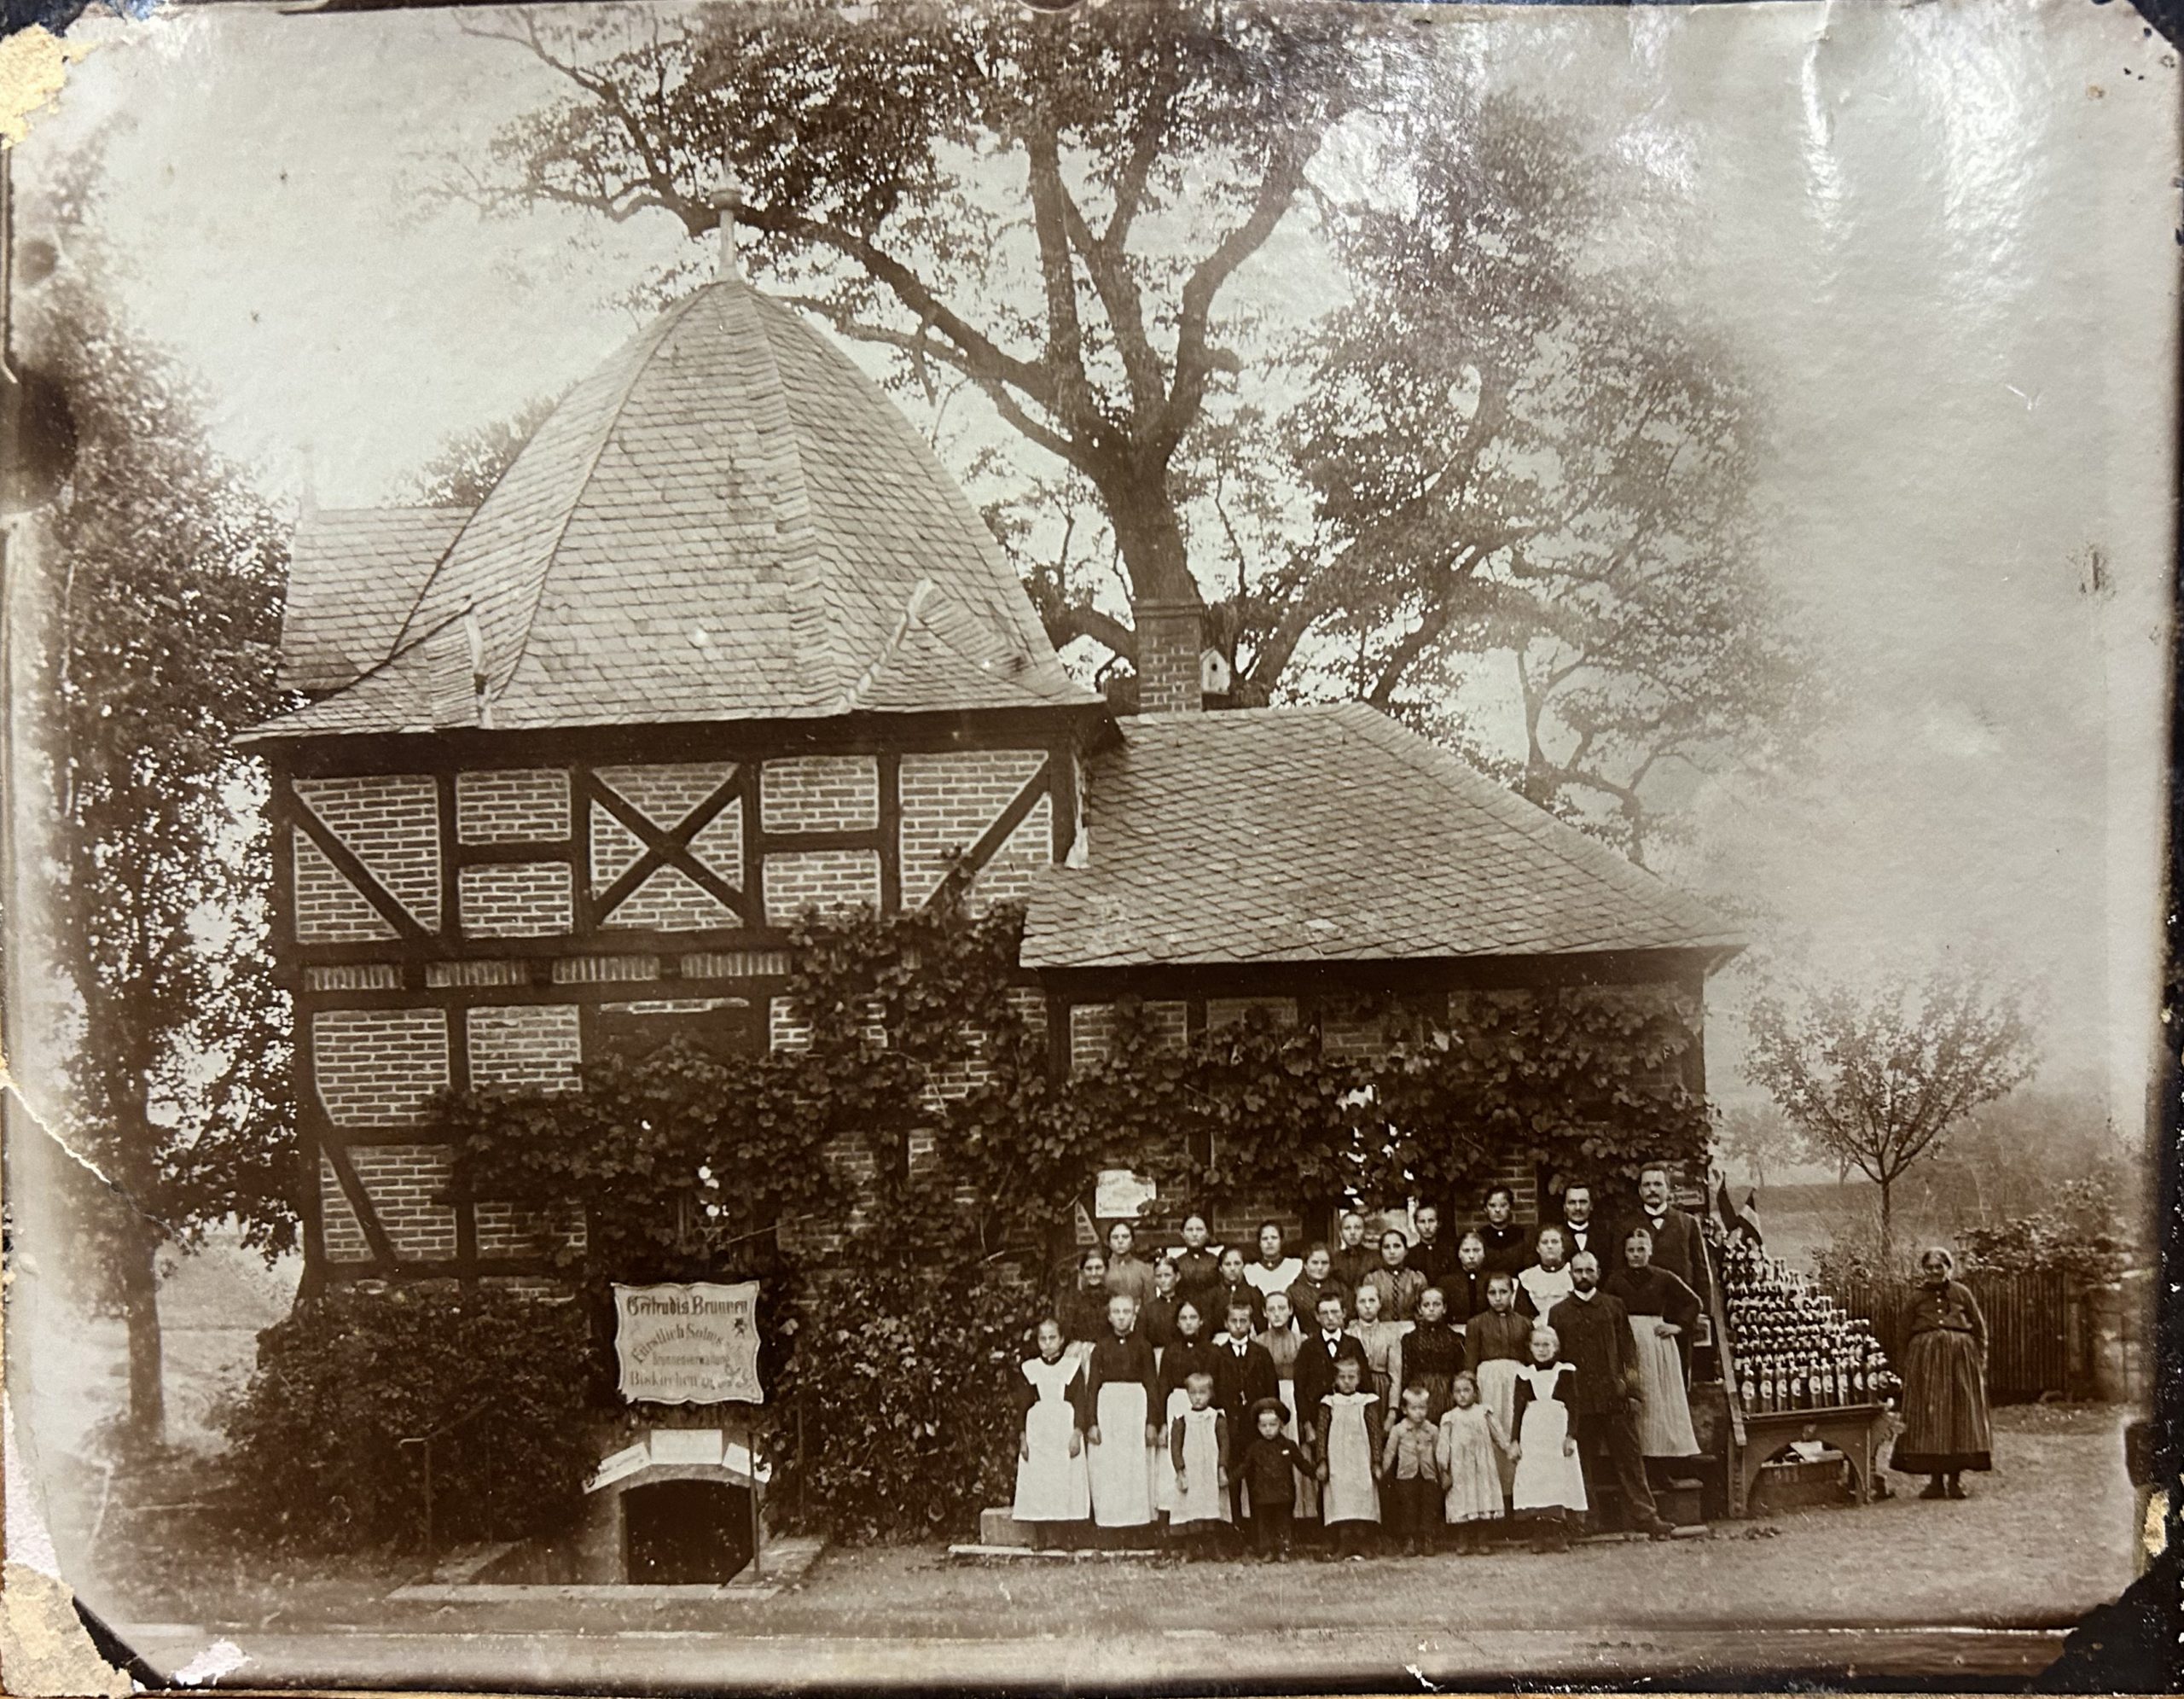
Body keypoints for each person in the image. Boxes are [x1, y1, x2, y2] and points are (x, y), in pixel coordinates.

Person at [1546, 1252, 1675, 1539]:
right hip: (1579, 1401)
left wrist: (1632, 1391)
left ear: (1598, 1272)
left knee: (1629, 1459)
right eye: (1578, 1271)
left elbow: (1629, 1353)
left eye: (1589, 1271)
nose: (1583, 1276)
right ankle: (1587, 1520)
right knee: (1582, 1462)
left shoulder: (1614, 1306)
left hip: (1614, 1397)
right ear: (1570, 1274)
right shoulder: (1558, 1312)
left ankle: (1646, 1516)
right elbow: (1556, 1362)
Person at [1891, 1246, 1993, 1500]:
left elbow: (1980, 1329)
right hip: (1925, 1364)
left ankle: (1955, 1482)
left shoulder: (1962, 1293)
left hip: (1960, 1362)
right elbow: (1902, 1334)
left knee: (1958, 1419)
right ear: (1924, 1270)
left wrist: (1978, 1361)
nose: (1935, 1272)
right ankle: (1935, 1482)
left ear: (1949, 1267)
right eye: (1930, 1268)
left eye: (1940, 1267)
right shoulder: (1916, 1297)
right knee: (1930, 1418)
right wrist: (1906, 1368)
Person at [1604, 1227, 1703, 1467]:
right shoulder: (1616, 1279)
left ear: (1650, 1250)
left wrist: (1677, 1326)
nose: (1636, 1255)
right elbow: (1604, 1307)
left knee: (1657, 1400)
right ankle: (1633, 1459)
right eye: (1631, 1250)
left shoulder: (1663, 1277)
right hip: (1626, 1340)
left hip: (1655, 1342)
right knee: (1634, 1396)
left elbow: (1694, 1302)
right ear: (1625, 1253)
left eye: (1641, 1249)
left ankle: (1659, 1463)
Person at [1084, 1293, 1160, 1532]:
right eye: (1116, 1312)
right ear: (1109, 1316)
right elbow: (1092, 1387)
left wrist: (1151, 1422)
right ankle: (1110, 1525)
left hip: (1135, 1409)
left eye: (1126, 1312)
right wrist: (1092, 1423)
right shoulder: (1101, 1348)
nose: (1121, 1317)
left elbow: (1151, 1385)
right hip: (1108, 1411)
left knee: (1134, 1466)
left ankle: (1137, 1526)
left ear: (1134, 1314)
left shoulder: (1144, 1347)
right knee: (1110, 1467)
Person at [1508, 1324, 1587, 1551]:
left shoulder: (1565, 1371)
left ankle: (1557, 1533)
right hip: (1532, 1433)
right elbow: (1518, 1410)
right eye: (1537, 1345)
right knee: (1536, 1481)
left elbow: (1574, 1405)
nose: (1542, 1350)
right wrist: (1515, 1440)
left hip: (1557, 1432)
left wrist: (1571, 1435)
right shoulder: (1524, 1374)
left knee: (1558, 1480)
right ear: (1530, 1347)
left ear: (1556, 1347)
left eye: (1547, 1345)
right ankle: (1539, 1534)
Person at [1013, 1318, 1091, 1528]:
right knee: (1040, 1480)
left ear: (1062, 1340)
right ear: (1038, 1341)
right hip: (1038, 1431)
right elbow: (1022, 1406)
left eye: (1052, 1338)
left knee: (1064, 1478)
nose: (1048, 1343)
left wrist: (1077, 1432)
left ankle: (1066, 1534)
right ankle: (1041, 1534)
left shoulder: (1072, 1367)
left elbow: (1081, 1402)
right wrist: (1022, 1438)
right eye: (1043, 1338)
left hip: (1063, 1428)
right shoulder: (1030, 1368)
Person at [1466, 1271, 1531, 1500]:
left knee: (1514, 1430)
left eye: (1503, 1292)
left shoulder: (1524, 1323)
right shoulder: (1476, 1324)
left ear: (1512, 1294)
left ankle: (1516, 1496)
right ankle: (1494, 1498)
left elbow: (1529, 1360)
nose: (1498, 1297)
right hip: (1488, 1382)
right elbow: (1470, 1363)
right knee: (1493, 1433)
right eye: (1492, 1293)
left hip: (1516, 1381)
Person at [1213, 1301, 1281, 1522]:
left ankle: (1258, 1535)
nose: (1239, 1326)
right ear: (1226, 1323)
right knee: (1232, 1479)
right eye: (1234, 1321)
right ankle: (1234, 1532)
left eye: (1244, 1321)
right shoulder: (1218, 1355)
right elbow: (1212, 1391)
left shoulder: (1261, 1353)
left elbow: (1272, 1390)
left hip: (1255, 1427)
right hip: (1231, 1427)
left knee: (1257, 1479)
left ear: (1251, 1324)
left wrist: (1268, 1418)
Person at [1257, 1290, 1319, 1522]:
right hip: (1270, 1398)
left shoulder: (1302, 1341)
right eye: (1271, 1309)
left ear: (1291, 1310)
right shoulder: (1259, 1342)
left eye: (1282, 1308)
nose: (1277, 1314)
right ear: (1264, 1313)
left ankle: (1303, 1514)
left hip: (1296, 1396)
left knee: (1298, 1450)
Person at [1314, 1353, 1382, 1558]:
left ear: (1359, 1379)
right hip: (1338, 1461)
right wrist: (1322, 1461)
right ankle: (1344, 1544)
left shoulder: (1366, 1401)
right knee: (1341, 1500)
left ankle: (1362, 1543)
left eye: (1351, 1377)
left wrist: (1376, 1461)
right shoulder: (1329, 1403)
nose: (1347, 1382)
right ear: (1335, 1380)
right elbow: (1321, 1434)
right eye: (1342, 1377)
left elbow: (1375, 1432)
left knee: (1362, 1498)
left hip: (1361, 1459)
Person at [1155, 1300, 1219, 1514]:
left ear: (1201, 1321)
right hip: (1177, 1405)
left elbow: (1216, 1385)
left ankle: (1203, 1518)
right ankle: (1176, 1517)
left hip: (1203, 1407)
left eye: (1193, 1318)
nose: (1189, 1323)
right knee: (1175, 1459)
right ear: (1177, 1323)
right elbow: (1163, 1385)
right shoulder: (1171, 1351)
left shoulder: (1212, 1350)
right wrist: (1162, 1424)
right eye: (1183, 1318)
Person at [1436, 1370, 1507, 1552]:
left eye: (1466, 1390)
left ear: (1475, 1392)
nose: (1462, 1395)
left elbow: (1498, 1435)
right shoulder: (1449, 1417)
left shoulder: (1484, 1412)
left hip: (1482, 1465)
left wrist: (1508, 1448)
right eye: (1458, 1391)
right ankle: (1463, 1540)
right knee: (1463, 1500)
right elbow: (1443, 1444)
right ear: (1452, 1394)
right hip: (1460, 1467)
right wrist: (1443, 1466)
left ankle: (1483, 1540)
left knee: (1482, 1498)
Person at [1238, 1398, 1309, 1561]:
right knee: (1264, 1524)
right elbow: (1245, 1467)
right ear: (1257, 1427)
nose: (1268, 1430)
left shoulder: (1288, 1445)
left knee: (1284, 1522)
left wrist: (1315, 1473)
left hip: (1284, 1493)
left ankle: (1284, 1550)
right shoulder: (1255, 1448)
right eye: (1263, 1426)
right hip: (1262, 1494)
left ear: (1281, 1425)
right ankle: (1267, 1551)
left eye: (1272, 1425)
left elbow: (1301, 1463)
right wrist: (1231, 1479)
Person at [1633, 1164, 1711, 1311]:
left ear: (1668, 1189)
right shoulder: (1626, 1224)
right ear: (1640, 1190)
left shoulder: (1688, 1223)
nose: (1652, 1190)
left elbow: (1701, 1272)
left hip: (1681, 1311)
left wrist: (1704, 1311)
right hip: (1641, 1311)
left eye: (1658, 1184)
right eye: (1647, 1185)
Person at [1165, 1370, 1232, 1543]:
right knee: (1191, 1507)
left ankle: (1213, 1546)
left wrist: (1222, 1467)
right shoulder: (1182, 1419)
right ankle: (1191, 1548)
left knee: (1211, 1506)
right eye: (1193, 1393)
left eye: (1202, 1393)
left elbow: (1224, 1444)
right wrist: (1180, 1470)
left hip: (1210, 1470)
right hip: (1192, 1470)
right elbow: (1175, 1447)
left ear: (1210, 1394)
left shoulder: (1217, 1418)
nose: (1197, 1398)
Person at [1380, 1384, 1442, 1555]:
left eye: (1422, 1408)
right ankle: (1410, 1540)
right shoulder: (1398, 1430)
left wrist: (1442, 1474)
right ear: (1405, 1409)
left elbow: (1439, 1453)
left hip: (1428, 1475)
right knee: (1409, 1509)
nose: (1419, 1413)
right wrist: (1383, 1471)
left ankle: (1428, 1539)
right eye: (1414, 1408)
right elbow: (1390, 1452)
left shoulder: (1432, 1430)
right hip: (1406, 1476)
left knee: (1428, 1507)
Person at [1398, 1285, 1466, 1423]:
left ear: (1445, 1308)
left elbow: (1460, 1372)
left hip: (1446, 1393)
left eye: (1436, 1304)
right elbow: (1406, 1372)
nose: (1431, 1309)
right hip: (1420, 1391)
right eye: (1426, 1305)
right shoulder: (1410, 1339)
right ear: (1420, 1309)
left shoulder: (1455, 1339)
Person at [1347, 1279, 1412, 1422]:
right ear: (1356, 1305)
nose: (1368, 1306)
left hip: (1382, 1391)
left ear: (1380, 1304)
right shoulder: (1348, 1335)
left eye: (1372, 1300)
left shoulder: (1390, 1335)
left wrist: (1392, 1411)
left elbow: (1396, 1376)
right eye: (1362, 1301)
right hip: (1355, 1389)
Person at [1362, 1229, 1428, 1323]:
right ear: (1381, 1252)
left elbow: (1424, 1311)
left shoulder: (1416, 1278)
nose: (1392, 1252)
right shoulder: (1372, 1279)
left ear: (1406, 1251)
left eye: (1397, 1246)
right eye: (1386, 1247)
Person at [1170, 1213, 1225, 1321]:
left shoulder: (1216, 1262)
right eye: (1190, 1230)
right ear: (1182, 1234)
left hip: (1212, 1317)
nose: (1195, 1234)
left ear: (1207, 1233)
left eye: (1199, 1229)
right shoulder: (1176, 1264)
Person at [1056, 1249, 1112, 1357]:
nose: (1094, 1273)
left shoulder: (1115, 1298)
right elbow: (1066, 1332)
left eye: (1098, 1268)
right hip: (1080, 1353)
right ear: (1082, 1272)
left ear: (1107, 1270)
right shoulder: (1071, 1300)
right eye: (1089, 1269)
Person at [1556, 1183, 1617, 1278]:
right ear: (1564, 1207)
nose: (1578, 1208)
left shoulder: (1605, 1236)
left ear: (1591, 1205)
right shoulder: (1556, 1236)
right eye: (1572, 1203)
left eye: (1583, 1202)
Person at [1516, 1226, 1575, 1319]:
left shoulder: (1573, 1273)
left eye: (1555, 1242)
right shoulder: (1527, 1277)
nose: (1550, 1246)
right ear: (1538, 1248)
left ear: (1563, 1247)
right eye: (1544, 1242)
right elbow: (1523, 1315)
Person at [1286, 1242, 1350, 1326]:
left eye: (1324, 1263)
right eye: (1315, 1263)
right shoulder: (1294, 1291)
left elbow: (1350, 1318)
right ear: (1305, 1265)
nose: (1320, 1267)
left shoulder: (1340, 1288)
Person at [1474, 1186, 1532, 1278]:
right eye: (1492, 1205)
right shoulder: (1479, 1237)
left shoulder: (1522, 1235)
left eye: (1503, 1205)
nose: (1497, 1210)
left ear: (1510, 1207)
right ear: (1485, 1209)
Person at [1104, 1220, 1158, 1311]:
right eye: (1115, 1237)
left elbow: (1150, 1305)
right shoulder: (1102, 1269)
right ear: (1109, 1243)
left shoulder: (1144, 1269)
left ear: (1132, 1242)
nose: (1120, 1241)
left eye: (1125, 1237)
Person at [1443, 1232, 1493, 1330]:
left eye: (1476, 1250)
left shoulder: (1492, 1279)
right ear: (1459, 1253)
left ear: (1484, 1253)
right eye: (1466, 1251)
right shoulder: (1446, 1282)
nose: (1471, 1256)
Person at [1244, 1221, 1304, 1301]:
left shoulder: (1295, 1266)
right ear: (1259, 1243)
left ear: (1281, 1241)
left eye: (1274, 1237)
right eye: (1265, 1239)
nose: (1269, 1242)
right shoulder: (1250, 1271)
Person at [1211, 1246, 1265, 1335]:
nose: (1232, 1268)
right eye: (1228, 1264)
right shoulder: (1212, 1295)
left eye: (1237, 1263)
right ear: (1220, 1268)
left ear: (1243, 1265)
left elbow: (1261, 1328)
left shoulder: (1254, 1294)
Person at [1409, 1203, 1460, 1289]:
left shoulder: (1450, 1252)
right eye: (1422, 1222)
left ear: (1439, 1223)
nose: (1427, 1227)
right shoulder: (1410, 1255)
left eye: (1431, 1221)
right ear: (1416, 1225)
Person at [1141, 1257, 1183, 1356]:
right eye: (1159, 1276)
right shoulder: (1147, 1310)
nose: (1163, 1280)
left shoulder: (1184, 1307)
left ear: (1177, 1277)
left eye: (1167, 1275)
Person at [1330, 1210, 1379, 1294]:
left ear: (1364, 1231)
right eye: (1347, 1228)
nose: (1352, 1232)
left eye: (1357, 1228)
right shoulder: (1334, 1260)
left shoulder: (1375, 1258)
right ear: (1341, 1233)